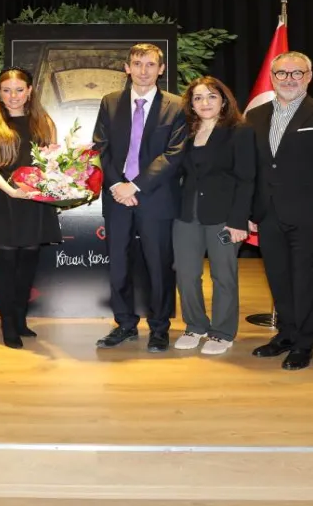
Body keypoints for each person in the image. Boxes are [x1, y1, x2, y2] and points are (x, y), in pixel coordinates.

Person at [245, 51, 313, 371]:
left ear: (309, 76)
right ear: (272, 78)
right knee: (278, 279)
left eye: (296, 73)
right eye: (282, 74)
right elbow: (254, 169)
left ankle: (304, 343)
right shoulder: (256, 116)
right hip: (268, 214)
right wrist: (250, 210)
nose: (289, 79)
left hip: (310, 217)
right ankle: (286, 335)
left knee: (305, 281)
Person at [92, 43, 189, 353]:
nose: (143, 70)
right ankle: (124, 324)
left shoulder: (176, 106)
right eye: (138, 63)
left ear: (161, 69)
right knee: (119, 264)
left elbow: (174, 154)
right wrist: (119, 186)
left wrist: (134, 186)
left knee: (159, 266)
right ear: (127, 68)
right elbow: (100, 148)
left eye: (150, 64)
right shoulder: (110, 103)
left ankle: (160, 328)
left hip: (156, 198)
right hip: (117, 197)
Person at [0, 68, 62, 349]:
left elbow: (53, 160)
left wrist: (49, 185)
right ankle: (8, 323)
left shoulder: (44, 121)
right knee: (6, 264)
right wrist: (10, 190)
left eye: (19, 90)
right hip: (4, 200)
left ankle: (21, 319)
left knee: (28, 264)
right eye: (7, 90)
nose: (13, 96)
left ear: (30, 91)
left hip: (34, 202)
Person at [171, 76, 255, 356]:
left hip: (224, 216)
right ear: (191, 104)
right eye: (197, 97)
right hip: (186, 214)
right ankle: (195, 325)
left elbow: (247, 179)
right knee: (186, 274)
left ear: (223, 101)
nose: (204, 102)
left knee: (223, 275)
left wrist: (239, 220)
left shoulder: (239, 131)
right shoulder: (185, 132)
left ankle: (222, 332)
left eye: (211, 96)